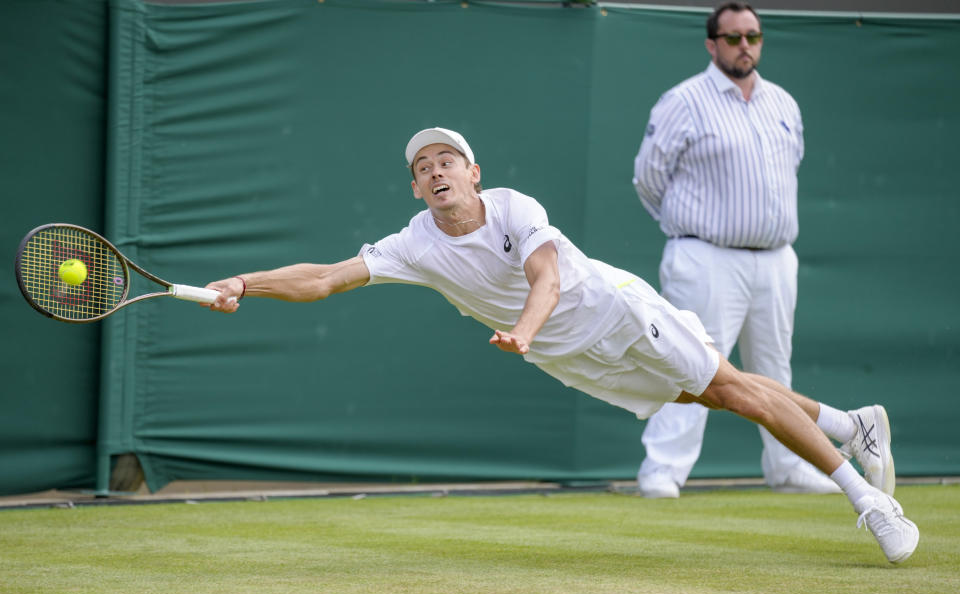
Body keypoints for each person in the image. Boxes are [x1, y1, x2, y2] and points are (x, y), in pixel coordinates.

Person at [205, 126, 918, 564]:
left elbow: (542, 278)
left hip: (616, 313)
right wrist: (246, 280)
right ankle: (850, 425)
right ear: (418, 189)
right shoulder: (412, 245)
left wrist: (523, 330)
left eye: (448, 159)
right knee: (721, 392)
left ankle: (868, 500)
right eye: (423, 168)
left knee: (732, 389)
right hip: (574, 356)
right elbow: (326, 277)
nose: (437, 171)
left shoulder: (514, 208)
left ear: (473, 172)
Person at [632, 2, 836, 498]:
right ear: (712, 44)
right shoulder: (683, 100)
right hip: (705, 256)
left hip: (775, 257)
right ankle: (662, 471)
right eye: (732, 38)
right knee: (691, 363)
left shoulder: (783, 103)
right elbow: (647, 178)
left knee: (774, 369)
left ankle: (788, 465)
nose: (744, 46)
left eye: (753, 36)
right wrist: (689, 231)